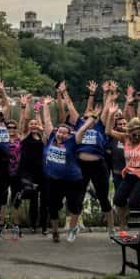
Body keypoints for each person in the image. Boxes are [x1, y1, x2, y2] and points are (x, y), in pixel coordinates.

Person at [41, 97, 96, 243]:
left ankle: (72, 229)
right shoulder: (51, 137)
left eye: (64, 133)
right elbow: (47, 121)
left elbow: (83, 129)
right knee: (53, 207)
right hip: (54, 180)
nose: (61, 134)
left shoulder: (73, 141)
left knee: (74, 206)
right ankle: (54, 231)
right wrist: (45, 105)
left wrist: (94, 117)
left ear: (68, 134)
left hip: (72, 180)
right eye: (59, 131)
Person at [71, 81, 113, 234]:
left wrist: (107, 93)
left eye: (93, 115)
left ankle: (111, 229)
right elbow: (71, 107)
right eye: (87, 115)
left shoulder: (99, 126)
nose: (90, 116)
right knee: (78, 198)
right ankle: (72, 229)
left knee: (103, 197)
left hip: (98, 165)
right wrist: (63, 93)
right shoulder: (79, 126)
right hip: (81, 165)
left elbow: (106, 108)